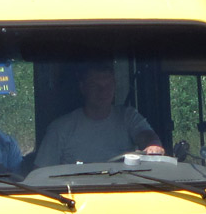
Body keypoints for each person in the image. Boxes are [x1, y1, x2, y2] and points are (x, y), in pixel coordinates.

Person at [33, 63, 164, 167]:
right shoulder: (60, 128)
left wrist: (152, 145)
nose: (103, 91)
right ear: (82, 87)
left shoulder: (128, 117)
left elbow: (146, 135)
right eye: (95, 86)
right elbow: (40, 174)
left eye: (108, 85)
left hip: (125, 191)